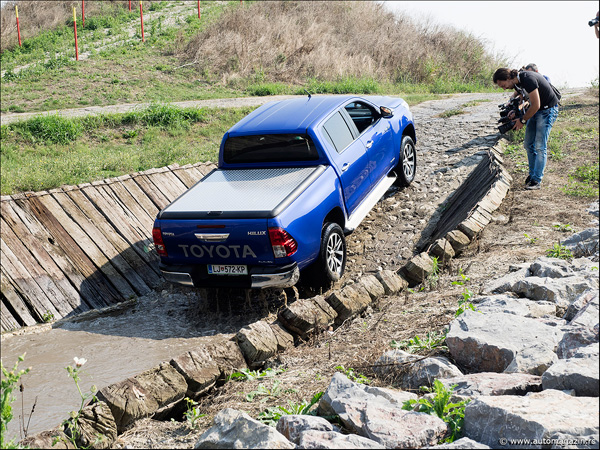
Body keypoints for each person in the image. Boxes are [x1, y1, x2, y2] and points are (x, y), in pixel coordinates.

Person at [493, 68, 559, 190]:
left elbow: (536, 104)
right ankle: (533, 174)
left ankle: (536, 180)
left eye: (503, 85)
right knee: (528, 144)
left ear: (508, 78)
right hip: (536, 111)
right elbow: (527, 101)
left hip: (547, 111)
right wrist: (515, 111)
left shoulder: (527, 79)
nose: (504, 88)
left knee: (539, 146)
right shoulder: (518, 83)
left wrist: (522, 120)